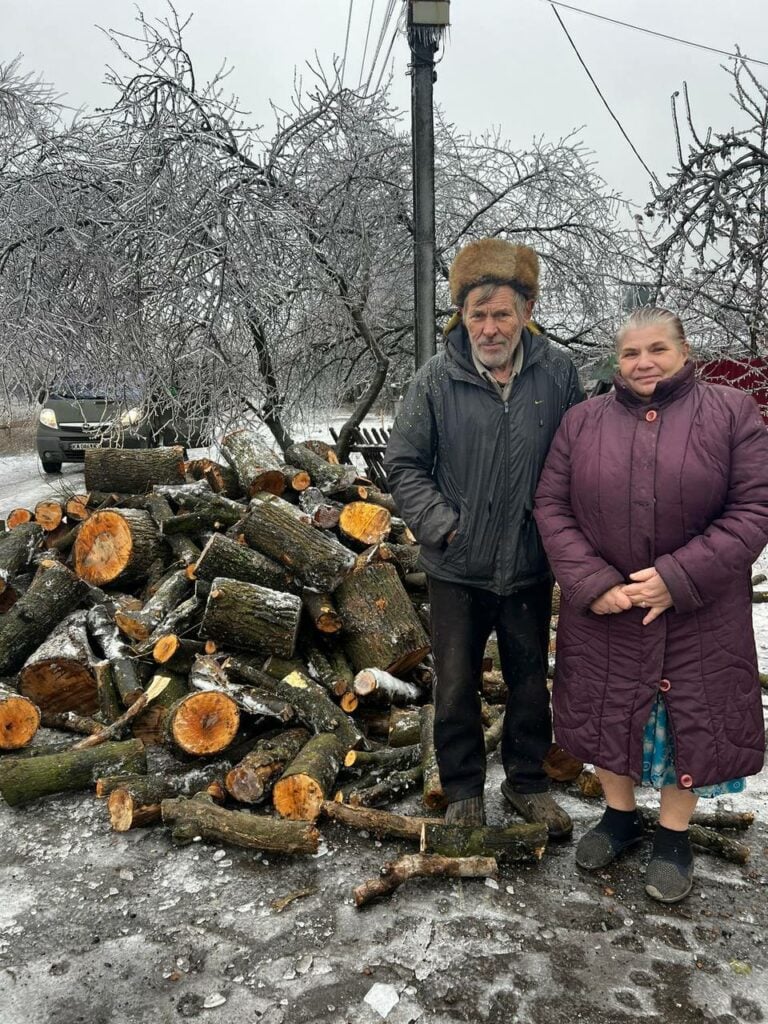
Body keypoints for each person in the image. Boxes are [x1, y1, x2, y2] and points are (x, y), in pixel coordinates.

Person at [534, 306, 768, 902]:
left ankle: (673, 834)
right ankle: (617, 816)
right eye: (631, 353)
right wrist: (593, 583)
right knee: (609, 712)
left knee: (684, 720)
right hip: (607, 611)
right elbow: (551, 506)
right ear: (617, 361)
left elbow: (754, 509)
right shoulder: (581, 421)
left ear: (684, 351)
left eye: (658, 349)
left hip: (700, 609)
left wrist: (676, 577)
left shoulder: (732, 412)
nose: (644, 363)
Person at [384, 238, 583, 835]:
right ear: (462, 316)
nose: (490, 327)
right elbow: (405, 465)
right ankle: (464, 785)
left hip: (527, 563)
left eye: (502, 313)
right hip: (457, 567)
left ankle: (527, 784)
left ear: (526, 311)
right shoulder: (435, 380)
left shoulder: (558, 373)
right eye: (479, 314)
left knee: (528, 682)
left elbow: (578, 460)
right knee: (455, 684)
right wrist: (443, 525)